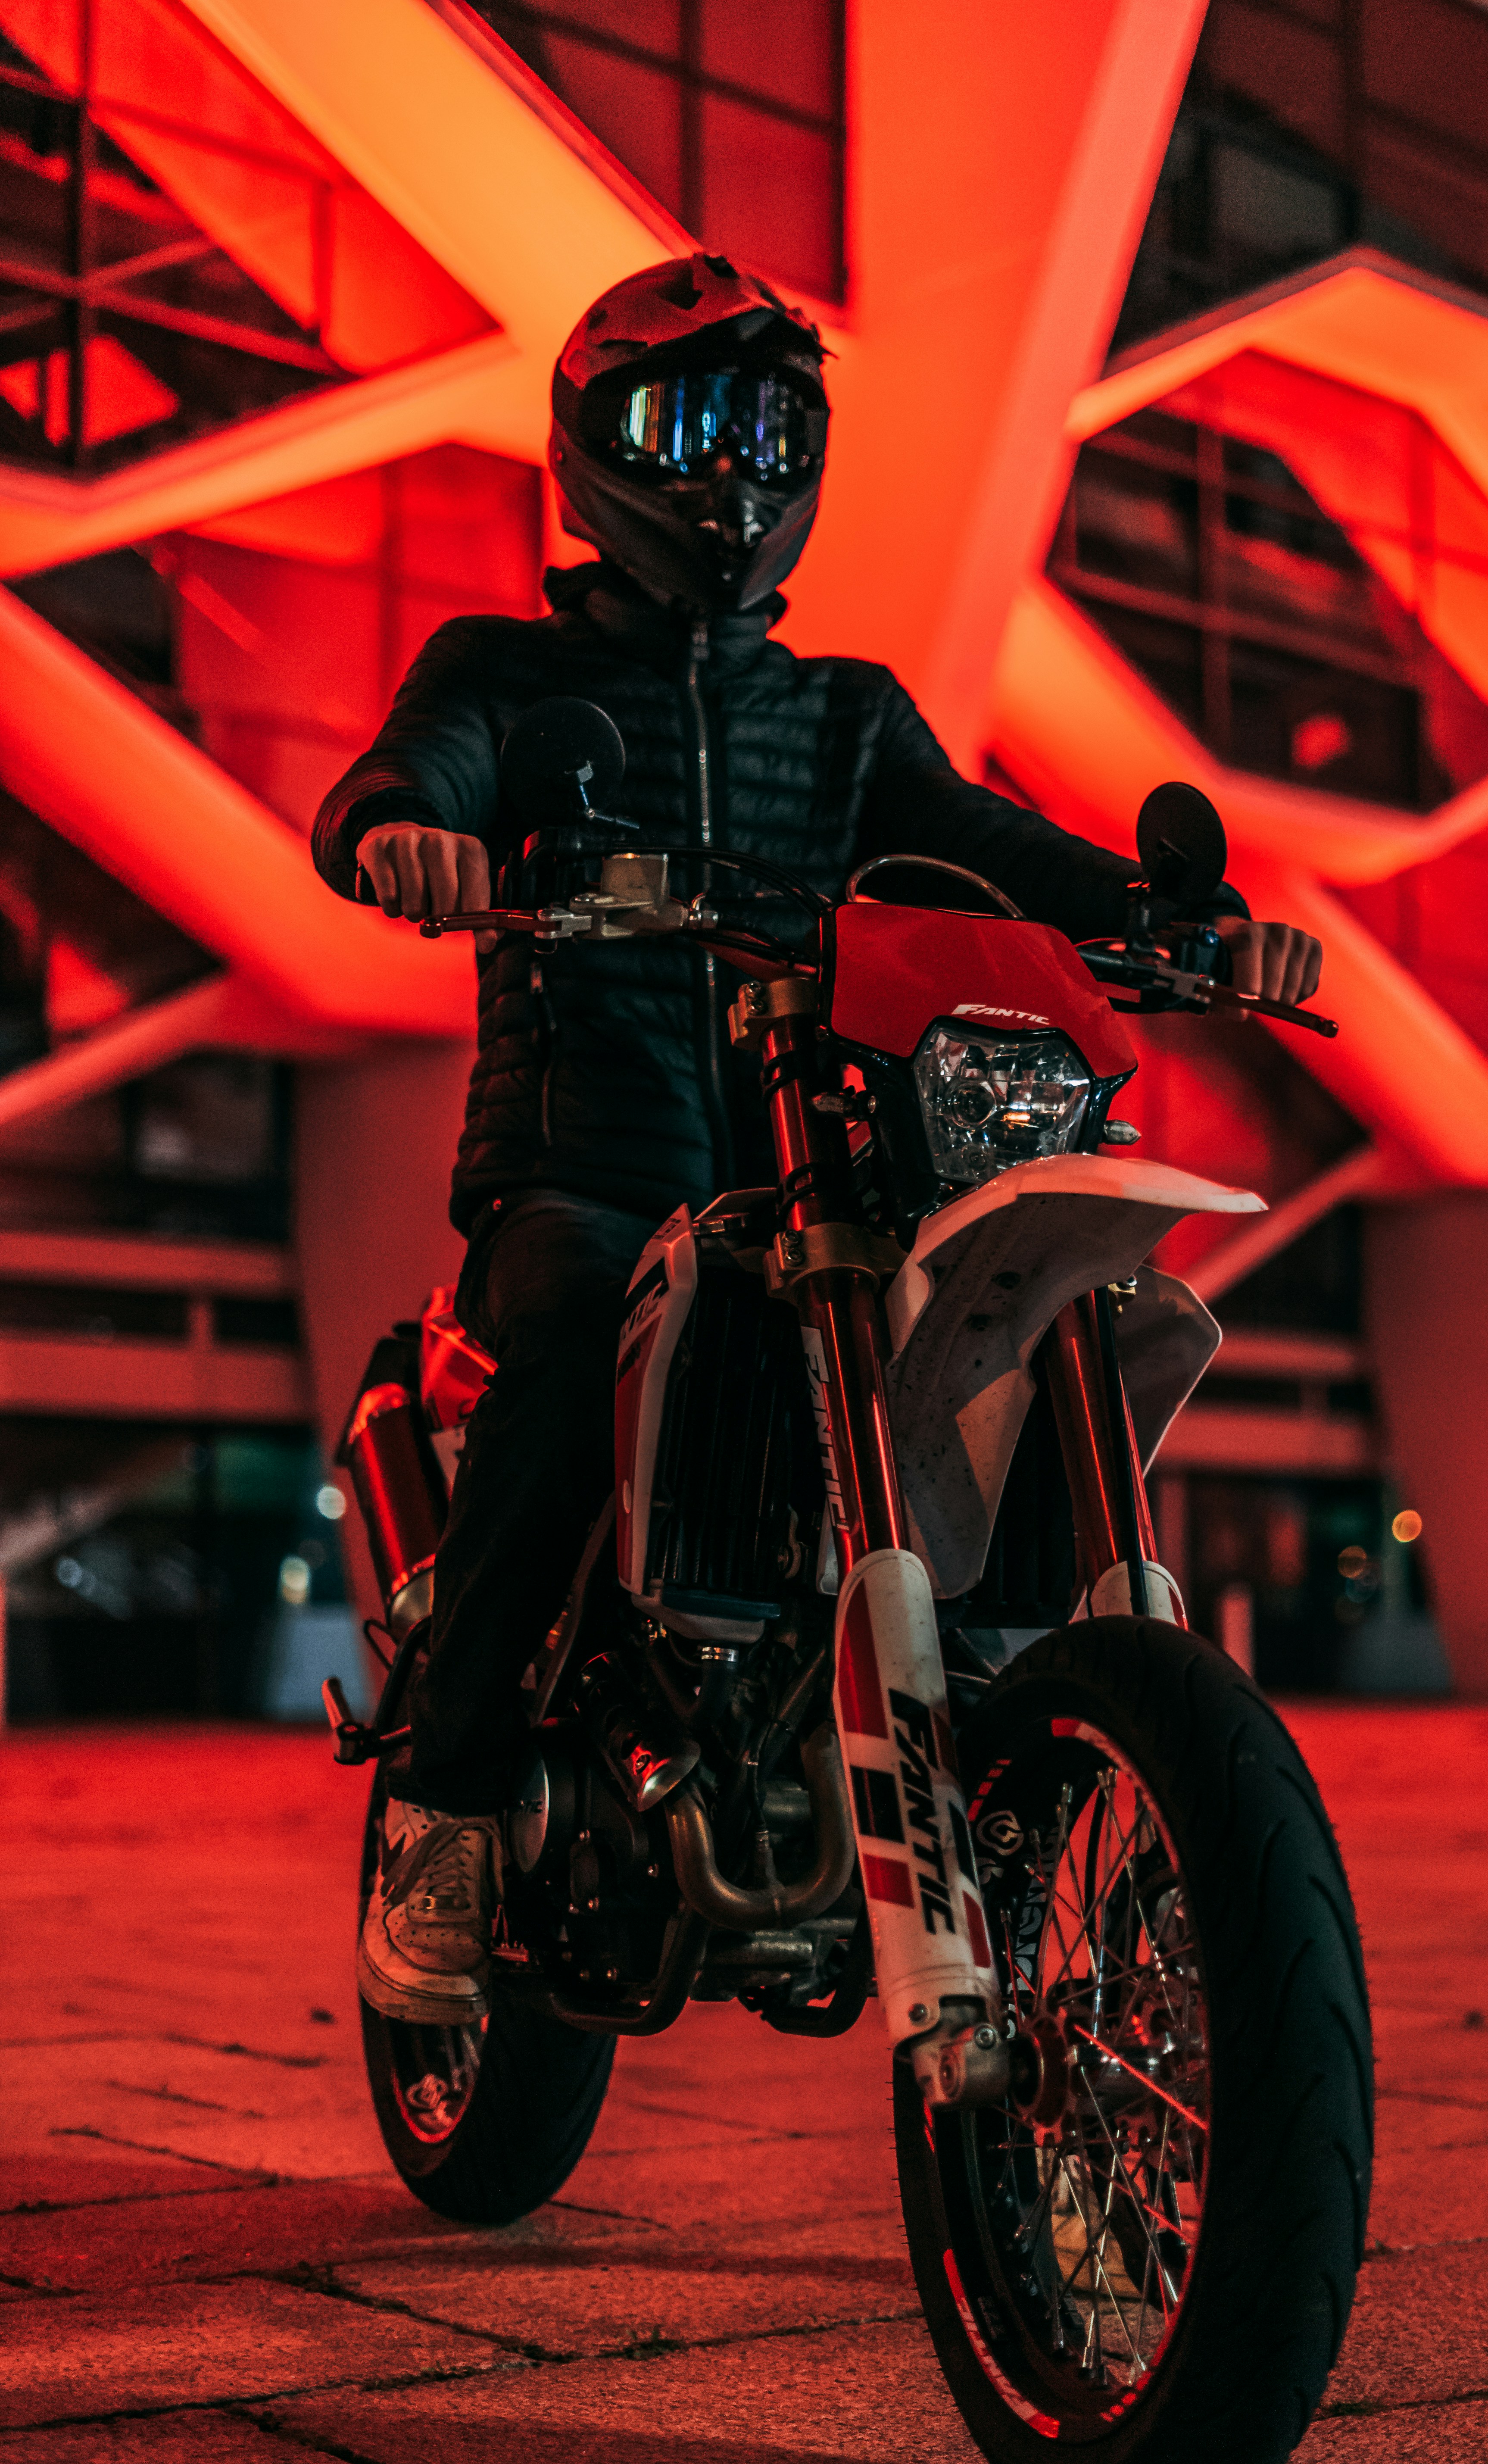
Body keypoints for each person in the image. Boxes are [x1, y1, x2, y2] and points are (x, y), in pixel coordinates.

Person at [312, 252, 1323, 2027]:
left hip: (814, 1170)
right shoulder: (506, 670)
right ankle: (450, 1810)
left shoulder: (847, 716)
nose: (730, 468)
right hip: (586, 1165)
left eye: (768, 429)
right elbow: (412, 769)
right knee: (569, 1343)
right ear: (590, 446)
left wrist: (1179, 920)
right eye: (684, 422)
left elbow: (983, 844)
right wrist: (405, 827)